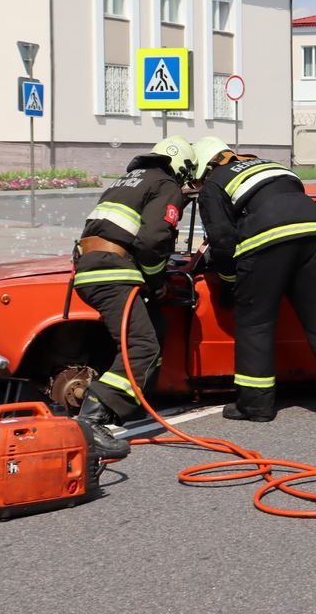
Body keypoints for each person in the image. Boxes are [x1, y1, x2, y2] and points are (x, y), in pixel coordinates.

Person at [191, 136, 316, 423]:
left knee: (255, 324)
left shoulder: (214, 182)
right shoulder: (269, 165)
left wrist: (230, 279)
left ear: (204, 167)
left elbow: (221, 237)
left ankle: (255, 406)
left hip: (267, 240)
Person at [71, 136, 193, 459]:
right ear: (182, 167)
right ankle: (92, 422)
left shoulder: (127, 181)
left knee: (155, 324)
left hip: (91, 267)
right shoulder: (166, 184)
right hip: (113, 271)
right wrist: (155, 282)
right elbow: (153, 241)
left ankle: (132, 402)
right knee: (143, 346)